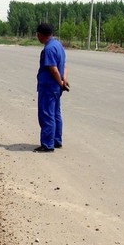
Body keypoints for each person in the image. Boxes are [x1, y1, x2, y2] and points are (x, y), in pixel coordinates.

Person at [34, 23, 69, 153]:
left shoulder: (49, 49)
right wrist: (63, 80)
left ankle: (48, 144)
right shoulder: (58, 45)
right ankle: (56, 140)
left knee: (47, 114)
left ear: (41, 35)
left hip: (48, 86)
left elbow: (53, 69)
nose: (37, 37)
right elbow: (64, 65)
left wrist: (60, 82)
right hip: (56, 87)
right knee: (56, 114)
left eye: (37, 35)